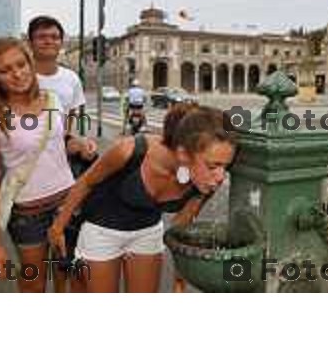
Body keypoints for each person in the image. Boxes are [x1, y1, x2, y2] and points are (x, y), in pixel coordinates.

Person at [48, 103, 236, 293]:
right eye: (213, 166)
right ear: (183, 154)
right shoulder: (129, 151)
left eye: (225, 167)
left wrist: (180, 278)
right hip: (102, 230)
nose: (221, 177)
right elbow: (86, 182)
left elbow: (181, 225)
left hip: (147, 231)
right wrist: (58, 228)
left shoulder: (206, 181)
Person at [0, 37, 82, 293]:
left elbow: (59, 142)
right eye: (5, 70)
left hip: (69, 204)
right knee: (34, 284)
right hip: (28, 216)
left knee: (72, 277)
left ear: (30, 63)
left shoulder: (53, 100)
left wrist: (78, 143)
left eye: (21, 64)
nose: (17, 74)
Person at [27, 15, 97, 170]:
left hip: (57, 160)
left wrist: (79, 144)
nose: (49, 41)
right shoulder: (20, 77)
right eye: (41, 37)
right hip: (24, 158)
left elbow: (67, 125)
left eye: (54, 37)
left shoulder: (72, 78)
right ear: (30, 43)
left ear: (61, 43)